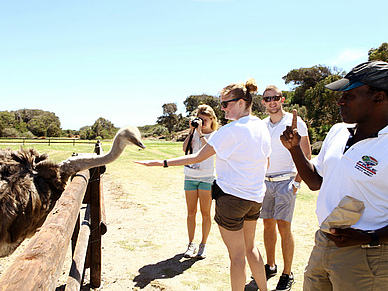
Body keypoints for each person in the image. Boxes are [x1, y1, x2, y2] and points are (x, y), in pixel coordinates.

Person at [135, 78, 270, 291]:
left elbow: (197, 157)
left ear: (242, 102)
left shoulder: (232, 130)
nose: (223, 109)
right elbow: (265, 161)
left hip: (232, 200)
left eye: (226, 104)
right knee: (251, 248)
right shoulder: (261, 127)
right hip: (255, 199)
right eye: (221, 104)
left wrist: (161, 163)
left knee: (236, 257)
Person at [280, 61, 388, 291]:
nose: (340, 101)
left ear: (378, 98)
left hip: (369, 255)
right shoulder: (339, 131)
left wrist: (370, 238)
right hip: (324, 242)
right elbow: (316, 182)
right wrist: (294, 149)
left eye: (349, 95)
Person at [259, 85, 311, 290]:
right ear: (263, 103)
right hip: (265, 182)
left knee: (283, 227)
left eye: (275, 97)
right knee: (267, 225)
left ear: (282, 99)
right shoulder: (262, 125)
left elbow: (306, 155)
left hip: (286, 181)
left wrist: (297, 183)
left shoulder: (295, 122)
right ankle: (270, 265)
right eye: (267, 98)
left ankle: (287, 273)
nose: (272, 101)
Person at [181, 104, 218, 259]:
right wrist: (192, 131)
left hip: (206, 177)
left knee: (205, 214)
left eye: (205, 120)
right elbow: (184, 149)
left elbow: (208, 152)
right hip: (190, 176)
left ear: (212, 120)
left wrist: (201, 133)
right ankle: (191, 244)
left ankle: (203, 244)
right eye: (200, 119)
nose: (202, 122)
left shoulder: (215, 135)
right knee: (191, 213)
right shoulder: (194, 132)